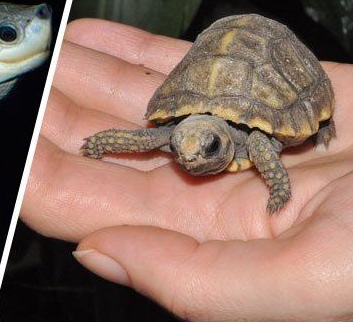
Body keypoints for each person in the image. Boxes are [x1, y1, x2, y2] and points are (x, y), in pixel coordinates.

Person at [21, 18, 353, 321]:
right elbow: (146, 138)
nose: (190, 159)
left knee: (261, 144)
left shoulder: (253, 140)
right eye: (180, 150)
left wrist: (279, 186)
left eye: (206, 150)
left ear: (221, 142)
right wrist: (101, 143)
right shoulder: (175, 138)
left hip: (271, 50)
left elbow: (261, 146)